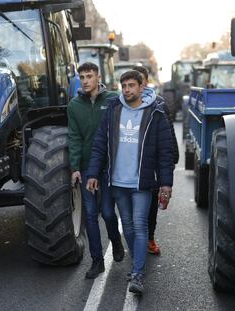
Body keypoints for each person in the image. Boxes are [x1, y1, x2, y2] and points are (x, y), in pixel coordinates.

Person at [86, 70, 175, 295]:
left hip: (142, 183)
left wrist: (166, 184)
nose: (127, 90)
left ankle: (137, 273)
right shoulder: (113, 111)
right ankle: (138, 264)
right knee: (126, 226)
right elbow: (100, 144)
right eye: (124, 86)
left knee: (140, 224)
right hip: (117, 182)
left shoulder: (156, 113)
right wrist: (94, 173)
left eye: (131, 85)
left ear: (141, 87)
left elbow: (165, 153)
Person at [68, 62, 125, 279]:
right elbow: (73, 137)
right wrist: (75, 167)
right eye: (81, 77)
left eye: (89, 76)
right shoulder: (74, 106)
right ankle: (97, 261)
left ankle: (116, 240)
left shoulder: (112, 99)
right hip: (85, 166)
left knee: (108, 212)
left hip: (107, 167)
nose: (85, 81)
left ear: (97, 77)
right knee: (90, 216)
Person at [132, 65, 179, 255]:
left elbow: (168, 133)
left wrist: (172, 158)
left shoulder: (158, 103)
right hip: (130, 165)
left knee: (151, 205)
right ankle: (136, 236)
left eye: (141, 81)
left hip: (150, 164)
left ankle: (149, 237)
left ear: (145, 82)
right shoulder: (123, 105)